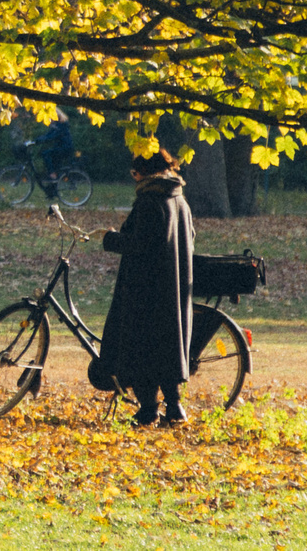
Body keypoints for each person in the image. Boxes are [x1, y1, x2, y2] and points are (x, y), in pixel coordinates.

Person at [98, 150, 197, 427]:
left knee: (140, 347)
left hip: (145, 289)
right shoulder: (179, 199)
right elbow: (188, 238)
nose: (134, 179)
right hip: (173, 288)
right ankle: (175, 408)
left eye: (134, 173)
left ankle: (148, 409)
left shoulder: (150, 200)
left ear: (143, 171)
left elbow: (141, 244)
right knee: (167, 349)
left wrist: (111, 239)